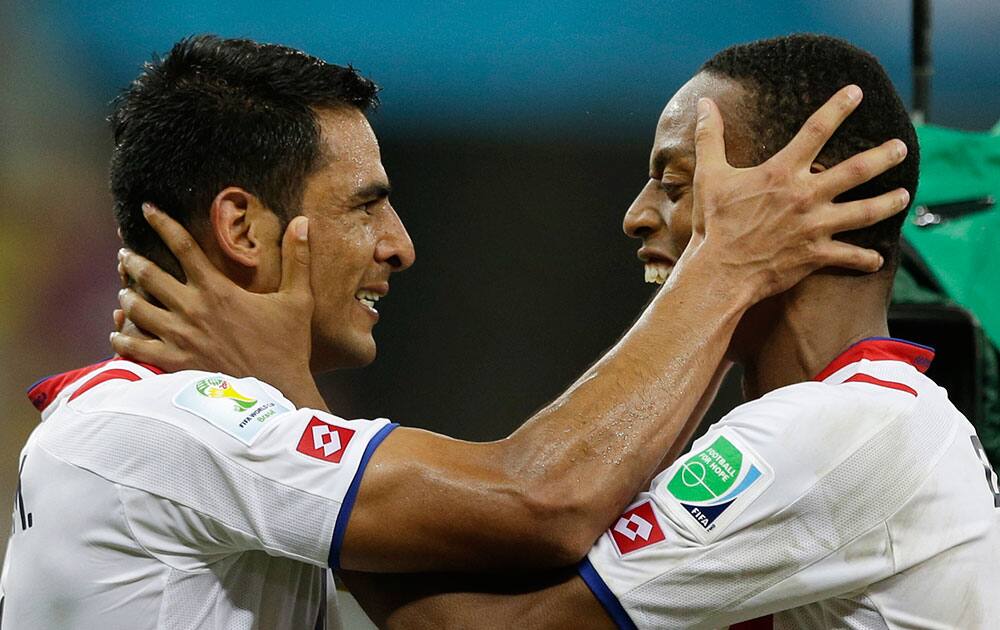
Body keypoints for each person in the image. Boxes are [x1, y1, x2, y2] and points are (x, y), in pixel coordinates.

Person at [0, 34, 910, 629]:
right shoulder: (167, 429)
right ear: (244, 228)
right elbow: (540, 499)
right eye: (366, 208)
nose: (399, 246)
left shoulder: (155, 430)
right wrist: (731, 262)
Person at [331, 35, 999, 629]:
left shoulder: (846, 426)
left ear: (803, 203)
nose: (635, 216)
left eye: (675, 184)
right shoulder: (868, 415)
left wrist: (303, 472)